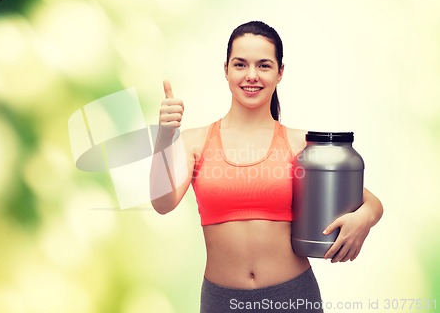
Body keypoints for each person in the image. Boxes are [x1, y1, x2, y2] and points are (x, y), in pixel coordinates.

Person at [150, 21, 383, 312]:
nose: (251, 75)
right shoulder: (195, 142)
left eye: (263, 65)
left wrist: (366, 218)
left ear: (279, 72)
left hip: (294, 295)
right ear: (226, 70)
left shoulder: (300, 144)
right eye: (240, 64)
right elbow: (162, 202)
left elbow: (368, 200)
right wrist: (164, 135)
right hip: (222, 301)